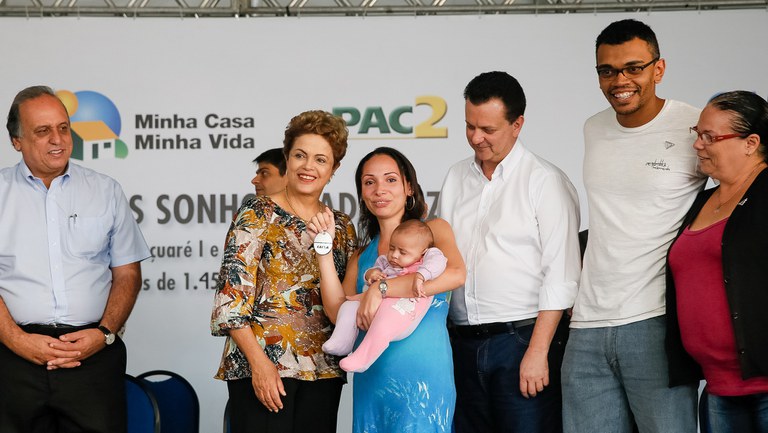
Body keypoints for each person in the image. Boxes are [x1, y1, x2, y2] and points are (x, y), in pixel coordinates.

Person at [562, 19, 705, 433]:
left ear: (658, 69)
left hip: (656, 321)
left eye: (633, 67)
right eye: (607, 70)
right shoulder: (594, 127)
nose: (619, 80)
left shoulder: (694, 126)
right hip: (587, 323)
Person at [0, 85, 151, 433]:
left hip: (92, 358)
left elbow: (127, 273)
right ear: (16, 141)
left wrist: (105, 333)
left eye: (64, 127)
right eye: (42, 131)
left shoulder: (106, 189)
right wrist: (17, 341)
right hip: (12, 359)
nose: (58, 139)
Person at [439, 71, 581, 433]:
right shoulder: (456, 177)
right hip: (460, 343)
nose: (475, 137)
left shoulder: (545, 181)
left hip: (521, 341)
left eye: (487, 129)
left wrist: (537, 352)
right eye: (469, 126)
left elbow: (561, 275)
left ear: (517, 124)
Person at [210, 110, 357, 433]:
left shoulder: (343, 226)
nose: (308, 166)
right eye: (300, 155)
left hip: (323, 372)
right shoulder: (257, 213)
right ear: (287, 158)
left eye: (320, 159)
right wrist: (260, 365)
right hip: (261, 369)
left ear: (334, 169)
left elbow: (345, 304)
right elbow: (231, 301)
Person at [308, 146, 465, 432]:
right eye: (370, 182)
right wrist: (323, 250)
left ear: (408, 187)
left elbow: (455, 273)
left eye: (390, 180)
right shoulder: (362, 255)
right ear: (362, 193)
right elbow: (335, 311)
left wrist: (380, 288)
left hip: (423, 379)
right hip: (372, 380)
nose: (380, 189)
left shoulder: (434, 231)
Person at [667, 91, 768, 433]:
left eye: (710, 136)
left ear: (750, 143)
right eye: (697, 133)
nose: (698, 144)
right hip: (718, 387)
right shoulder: (701, 202)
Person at [322, 219, 447, 373]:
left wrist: (421, 275)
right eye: (392, 248)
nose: (394, 255)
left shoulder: (429, 257)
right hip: (375, 304)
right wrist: (371, 274)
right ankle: (342, 339)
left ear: (422, 252)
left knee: (384, 322)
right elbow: (372, 271)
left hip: (401, 310)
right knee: (348, 306)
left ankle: (362, 358)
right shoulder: (385, 261)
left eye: (402, 252)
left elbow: (439, 262)